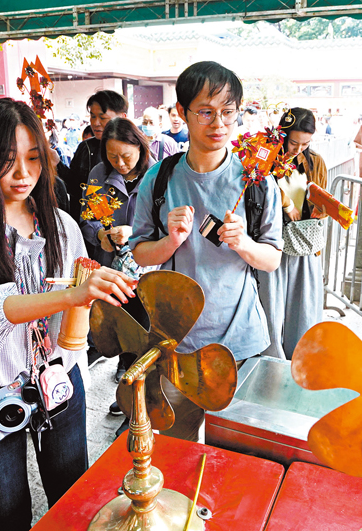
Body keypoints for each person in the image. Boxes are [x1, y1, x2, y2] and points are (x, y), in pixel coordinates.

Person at [0, 98, 136, 531]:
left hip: (57, 379)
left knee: (71, 496)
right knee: (6, 510)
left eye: (33, 158)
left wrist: (98, 290)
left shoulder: (61, 224)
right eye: (7, 161)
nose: (23, 173)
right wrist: (71, 295)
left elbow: (79, 307)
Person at [130, 61, 283, 442]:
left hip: (240, 345)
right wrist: (170, 241)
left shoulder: (257, 182)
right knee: (173, 449)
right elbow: (140, 254)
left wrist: (243, 243)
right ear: (181, 113)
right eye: (206, 112)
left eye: (228, 113)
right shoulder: (160, 178)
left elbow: (273, 258)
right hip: (177, 345)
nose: (218, 125)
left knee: (232, 457)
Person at [80, 117, 155, 436]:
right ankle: (129, 399)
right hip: (113, 270)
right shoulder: (100, 175)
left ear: (140, 147)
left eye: (127, 156)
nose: (120, 164)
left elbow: (170, 225)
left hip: (150, 272)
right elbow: (89, 220)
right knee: (122, 337)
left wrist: (135, 234)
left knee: (147, 340)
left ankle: (143, 409)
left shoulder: (157, 176)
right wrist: (102, 236)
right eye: (113, 157)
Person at [257, 108, 328, 360]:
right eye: (294, 142)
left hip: (302, 240)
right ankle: (271, 358)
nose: (298, 149)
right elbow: (256, 189)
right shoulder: (264, 158)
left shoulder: (315, 162)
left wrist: (324, 209)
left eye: (305, 143)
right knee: (271, 303)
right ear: (282, 135)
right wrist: (286, 203)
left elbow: (320, 198)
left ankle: (302, 357)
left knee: (303, 303)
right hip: (271, 241)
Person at [61, 91, 128, 223]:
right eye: (92, 117)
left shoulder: (134, 148)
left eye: (102, 118)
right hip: (89, 226)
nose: (96, 123)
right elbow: (75, 186)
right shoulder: (85, 147)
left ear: (122, 117)